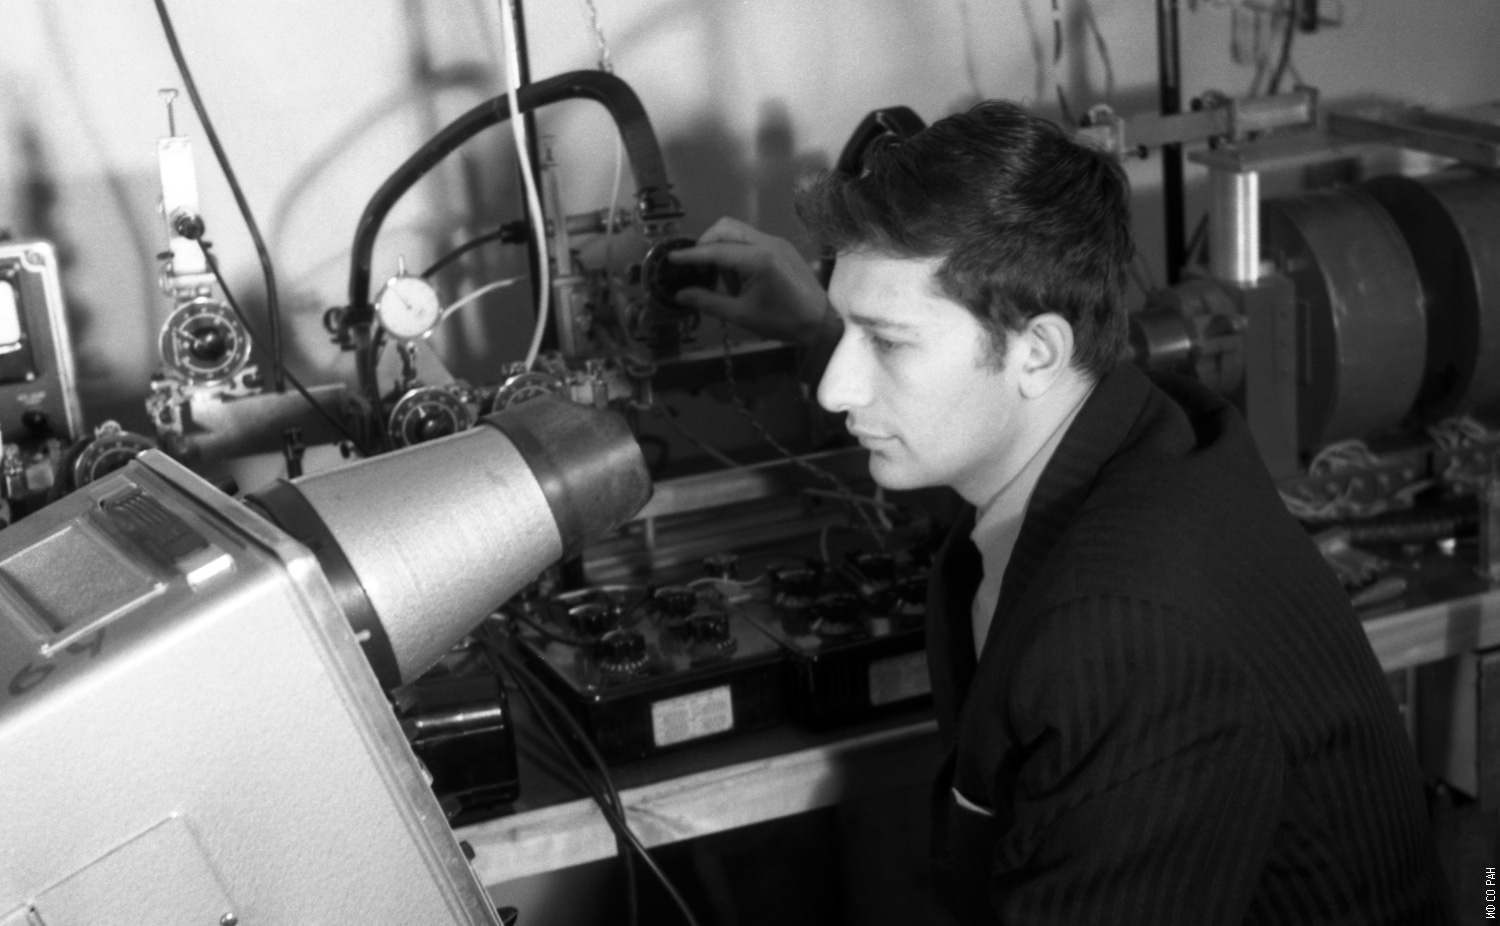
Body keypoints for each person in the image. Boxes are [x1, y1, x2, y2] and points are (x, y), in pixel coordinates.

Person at [668, 100, 1456, 924]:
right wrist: (817, 325)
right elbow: (980, 423)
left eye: (887, 341)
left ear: (1038, 351)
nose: (837, 389)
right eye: (847, 332)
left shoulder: (1124, 631)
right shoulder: (1133, 423)